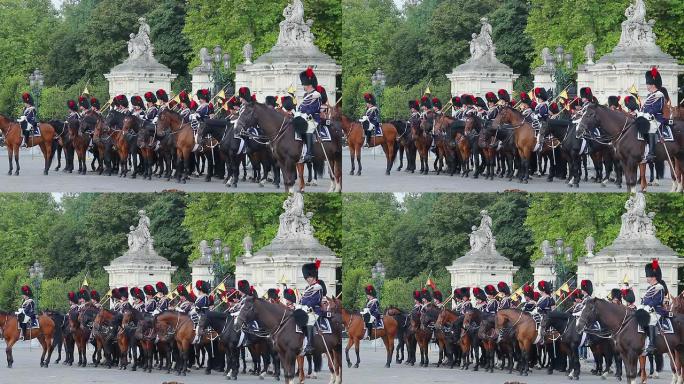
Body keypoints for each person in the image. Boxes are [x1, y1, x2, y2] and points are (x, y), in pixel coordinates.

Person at [641, 67, 666, 163]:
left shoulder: (659, 94)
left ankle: (651, 153)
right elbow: (644, 107)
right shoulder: (649, 96)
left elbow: (657, 107)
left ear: (652, 85)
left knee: (651, 127)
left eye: (647, 84)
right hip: (647, 116)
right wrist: (640, 113)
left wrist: (649, 113)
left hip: (656, 118)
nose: (646, 86)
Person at [642, 259, 667, 353]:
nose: (647, 278)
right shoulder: (649, 288)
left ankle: (652, 344)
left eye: (648, 276)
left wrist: (649, 306)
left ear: (653, 277)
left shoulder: (660, 287)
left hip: (657, 310)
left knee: (651, 319)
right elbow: (645, 299)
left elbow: (658, 300)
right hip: (648, 309)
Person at [298, 68, 321, 162]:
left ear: (309, 85)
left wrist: (306, 112)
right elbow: (301, 107)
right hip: (304, 116)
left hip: (313, 118)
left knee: (309, 128)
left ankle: (309, 154)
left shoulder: (317, 94)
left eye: (304, 84)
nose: (303, 86)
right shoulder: (305, 95)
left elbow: (315, 107)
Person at [300, 260, 323, 354]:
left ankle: (309, 345)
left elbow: (316, 300)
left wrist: (308, 305)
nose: (308, 279)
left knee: (309, 321)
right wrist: (300, 305)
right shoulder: (307, 288)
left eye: (309, 277)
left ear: (314, 276)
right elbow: (303, 299)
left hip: (315, 311)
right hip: (305, 309)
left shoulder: (318, 287)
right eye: (307, 277)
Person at [192, 280, 211, 344]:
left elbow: (203, 306)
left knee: (198, 326)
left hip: (203, 314)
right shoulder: (200, 297)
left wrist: (196, 309)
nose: (198, 291)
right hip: (198, 313)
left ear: (201, 290)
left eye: (199, 290)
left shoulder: (205, 297)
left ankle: (198, 337)